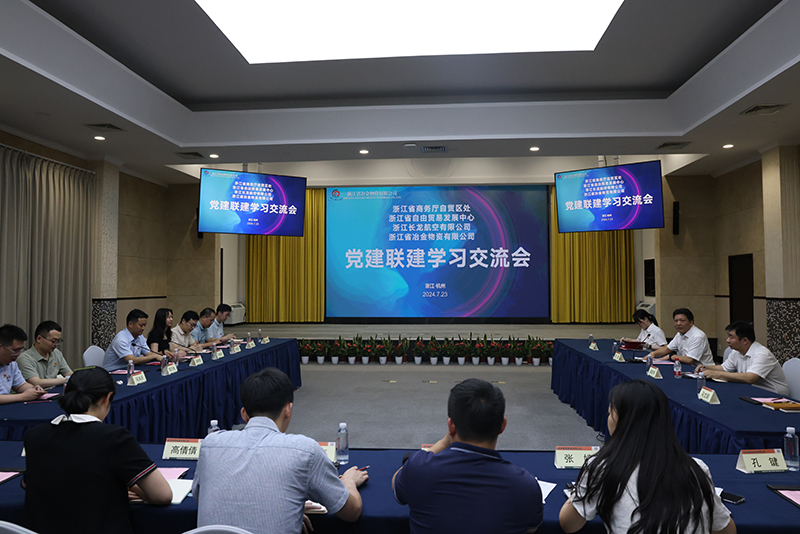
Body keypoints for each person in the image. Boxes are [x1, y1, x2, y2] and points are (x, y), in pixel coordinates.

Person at [193, 367, 368, 534]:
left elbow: (202, 498)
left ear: (244, 414)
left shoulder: (211, 444)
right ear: (288, 410)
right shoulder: (305, 451)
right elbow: (351, 512)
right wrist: (348, 482)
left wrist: (289, 509)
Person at [559, 380, 735, 534]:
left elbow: (569, 524)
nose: (608, 419)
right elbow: (726, 530)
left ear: (621, 420)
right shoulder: (696, 468)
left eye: (610, 413)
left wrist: (579, 490)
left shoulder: (602, 466)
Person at [23, 366, 172, 534]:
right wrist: (129, 486)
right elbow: (162, 495)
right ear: (106, 398)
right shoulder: (114, 437)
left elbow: (29, 483)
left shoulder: (35, 435)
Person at [392, 378, 543, 534]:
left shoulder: (418, 468)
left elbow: (396, 484)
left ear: (451, 425)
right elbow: (531, 529)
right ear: (502, 425)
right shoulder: (526, 486)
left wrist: (443, 442)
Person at [696, 321, 789, 396]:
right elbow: (724, 368)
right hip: (751, 391)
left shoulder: (762, 354)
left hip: (774, 396)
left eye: (731, 337)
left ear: (744, 340)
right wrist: (706, 368)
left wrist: (717, 374)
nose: (727, 340)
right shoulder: (736, 351)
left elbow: (750, 378)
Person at [649, 308, 714, 366]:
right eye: (676, 321)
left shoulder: (698, 336)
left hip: (704, 370)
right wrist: (653, 354)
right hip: (686, 366)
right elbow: (667, 349)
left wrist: (672, 357)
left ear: (691, 322)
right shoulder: (679, 334)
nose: (678, 323)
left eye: (682, 320)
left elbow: (690, 360)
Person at [17, 320, 73, 387]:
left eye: (58, 341)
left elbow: (69, 374)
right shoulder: (25, 358)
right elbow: (37, 382)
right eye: (53, 341)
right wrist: (65, 380)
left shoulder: (56, 353)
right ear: (39, 339)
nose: (56, 344)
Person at [0, 324, 45, 404]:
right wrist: (23, 396)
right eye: (15, 351)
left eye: (20, 350)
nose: (18, 354)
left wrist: (34, 388)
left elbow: (20, 385)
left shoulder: (12, 364)